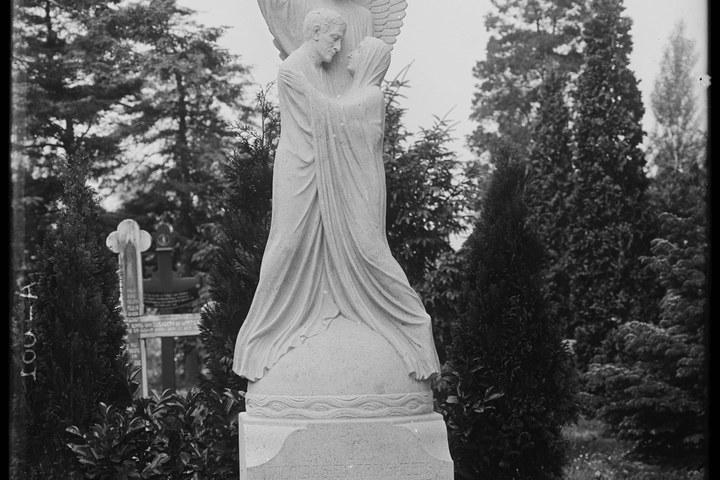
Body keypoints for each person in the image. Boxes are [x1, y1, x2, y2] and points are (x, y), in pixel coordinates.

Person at [232, 11, 441, 383]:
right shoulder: (292, 71)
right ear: (314, 34)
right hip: (301, 168)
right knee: (286, 243)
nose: (339, 48)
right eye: (333, 40)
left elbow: (338, 116)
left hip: (332, 167)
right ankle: (261, 332)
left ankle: (398, 323)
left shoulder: (357, 89)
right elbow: (320, 114)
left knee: (363, 245)